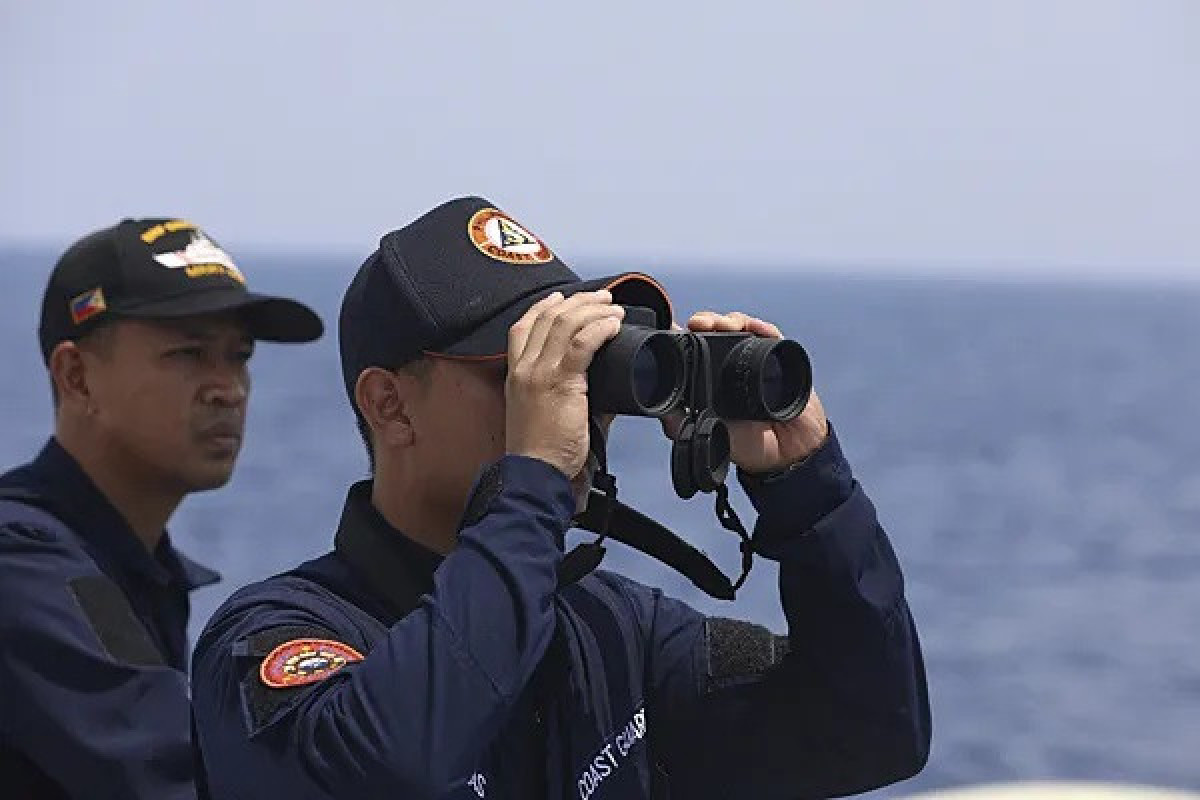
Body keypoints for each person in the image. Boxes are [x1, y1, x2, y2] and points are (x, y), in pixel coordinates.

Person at [191, 197, 931, 799]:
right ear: (390, 405)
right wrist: (533, 482)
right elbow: (395, 768)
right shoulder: (268, 640)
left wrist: (809, 492)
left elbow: (871, 732)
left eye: (584, 366)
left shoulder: (614, 634)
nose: (571, 403)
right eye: (525, 370)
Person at [0, 218, 323, 798]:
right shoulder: (22, 566)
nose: (229, 387)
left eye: (238, 355)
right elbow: (179, 781)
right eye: (188, 353)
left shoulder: (121, 566)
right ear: (76, 377)